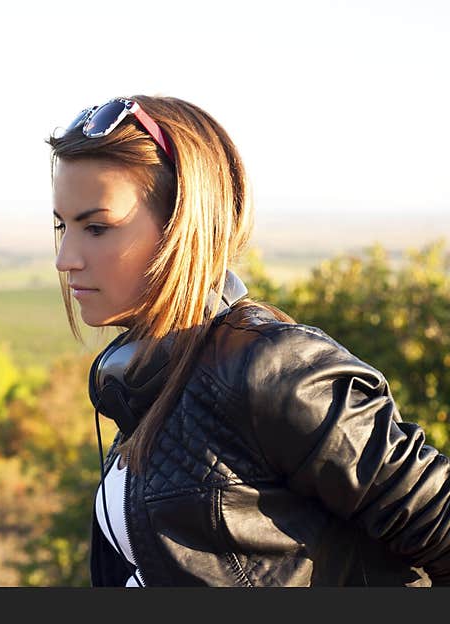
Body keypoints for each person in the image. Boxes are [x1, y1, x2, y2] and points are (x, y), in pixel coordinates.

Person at [48, 95, 450, 586]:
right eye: (62, 226)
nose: (66, 257)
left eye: (97, 227)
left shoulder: (273, 372)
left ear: (185, 225)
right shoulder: (146, 379)